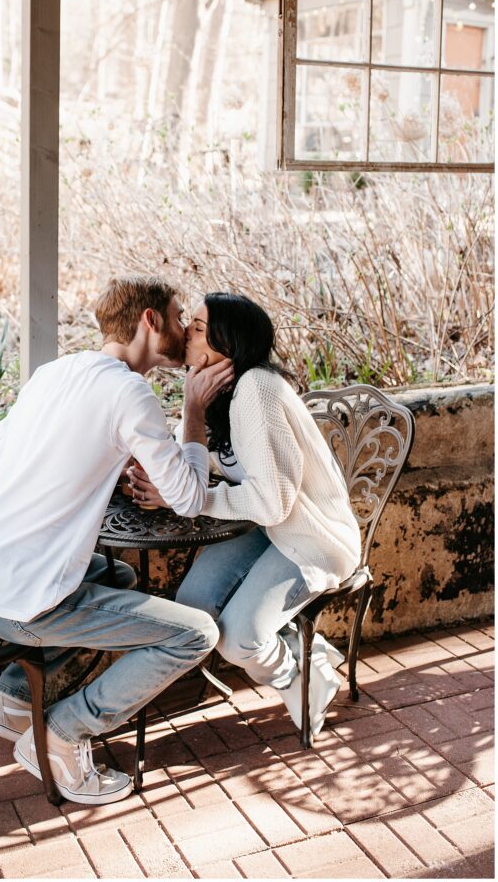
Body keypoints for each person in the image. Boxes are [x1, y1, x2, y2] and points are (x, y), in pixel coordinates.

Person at [0, 276, 234, 805]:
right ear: (149, 320)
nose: (183, 328)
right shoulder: (129, 392)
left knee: (116, 574)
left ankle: (10, 700)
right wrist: (193, 411)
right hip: (19, 604)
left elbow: (14, 452)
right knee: (194, 635)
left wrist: (107, 460)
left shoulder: (56, 372)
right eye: (175, 317)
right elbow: (189, 498)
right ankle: (61, 733)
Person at [127, 292, 361, 739]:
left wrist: (195, 499)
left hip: (312, 539)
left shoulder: (256, 389)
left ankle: (303, 681)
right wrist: (163, 472)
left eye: (196, 327)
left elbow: (272, 502)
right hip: (267, 529)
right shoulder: (220, 394)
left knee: (239, 639)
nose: (185, 333)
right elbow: (195, 462)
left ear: (225, 345)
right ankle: (303, 650)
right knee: (193, 608)